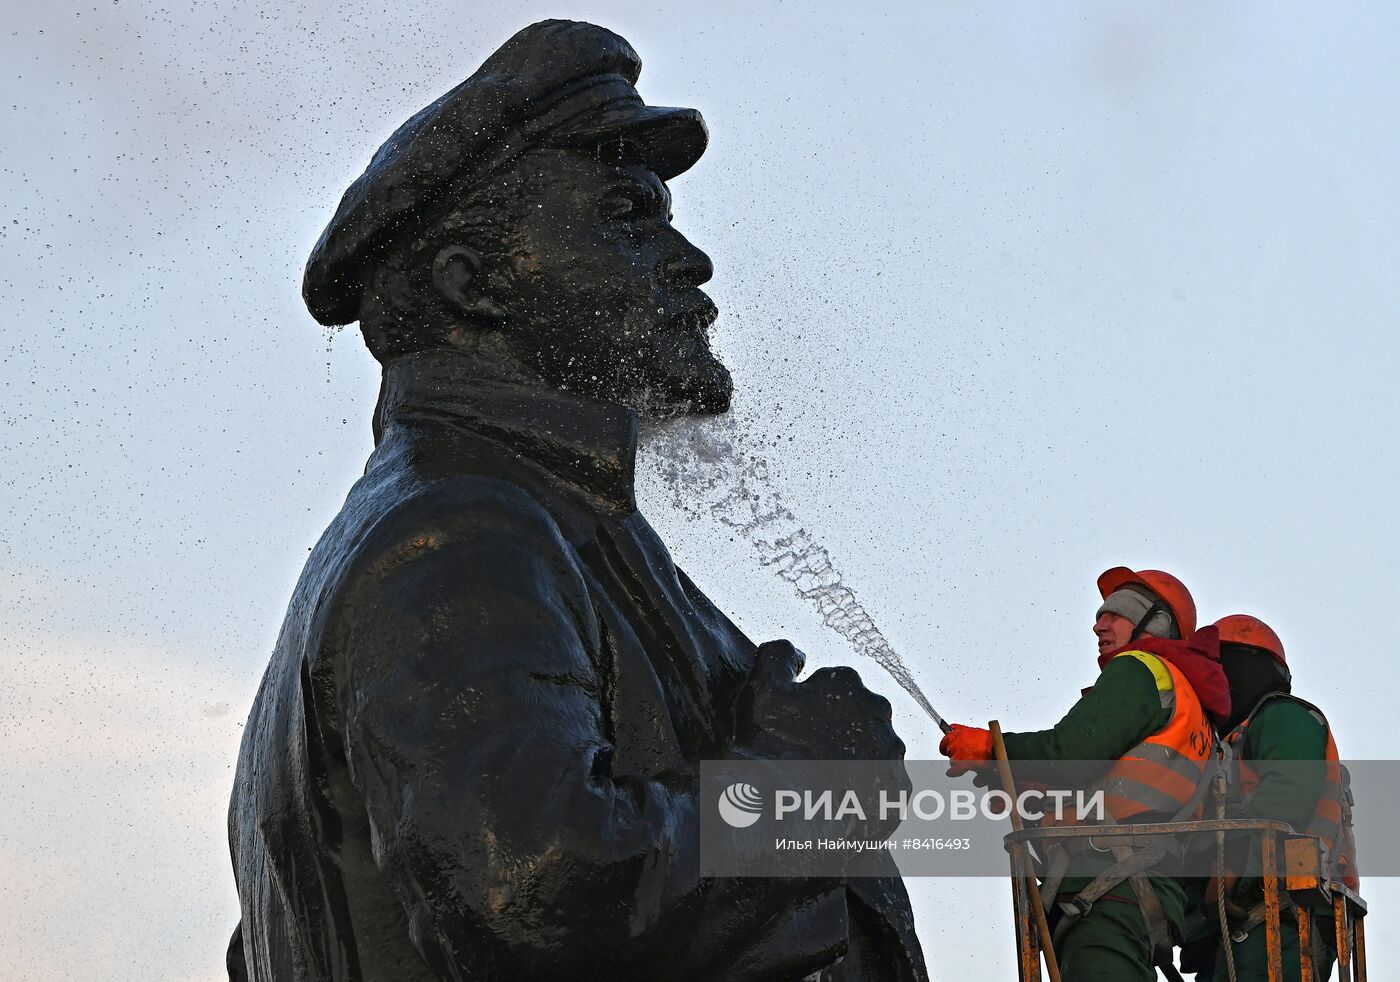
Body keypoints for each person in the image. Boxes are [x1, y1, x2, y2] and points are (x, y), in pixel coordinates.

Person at [225, 20, 925, 982]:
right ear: (472, 285)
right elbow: (544, 895)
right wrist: (812, 782)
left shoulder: (536, 522)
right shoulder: (458, 537)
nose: (690, 260)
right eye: (629, 216)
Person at [941, 567, 1231, 982]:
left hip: (1109, 885)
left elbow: (1070, 753)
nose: (1100, 624)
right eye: (1100, 614)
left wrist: (992, 748)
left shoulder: (1142, 669)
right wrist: (1027, 788)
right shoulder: (1197, 717)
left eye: (1118, 612)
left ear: (1156, 624)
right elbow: (1124, 789)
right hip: (1146, 888)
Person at [1191, 614, 1357, 981]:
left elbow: (1286, 799)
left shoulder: (1284, 717)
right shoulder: (1233, 744)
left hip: (1281, 915)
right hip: (1251, 920)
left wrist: (1226, 875)